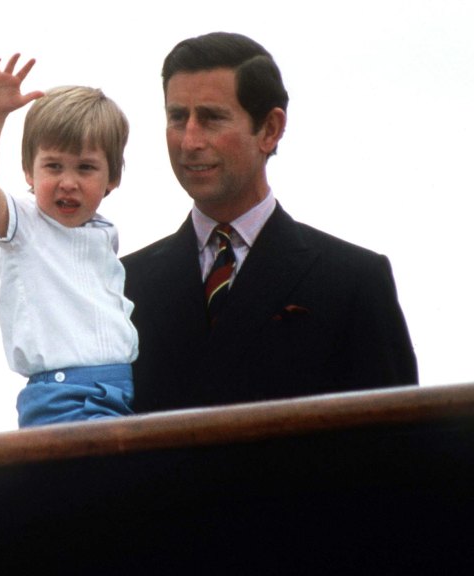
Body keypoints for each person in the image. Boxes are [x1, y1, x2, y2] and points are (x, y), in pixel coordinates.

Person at [121, 32, 418, 413]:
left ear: (270, 129)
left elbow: (399, 438)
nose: (189, 141)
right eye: (178, 117)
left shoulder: (352, 281)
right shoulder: (121, 285)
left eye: (211, 118)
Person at [0, 54, 138, 427]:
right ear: (29, 170)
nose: (68, 182)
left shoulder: (103, 232)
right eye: (53, 166)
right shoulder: (24, 225)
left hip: (118, 389)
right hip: (63, 394)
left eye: (85, 168)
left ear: (112, 178)